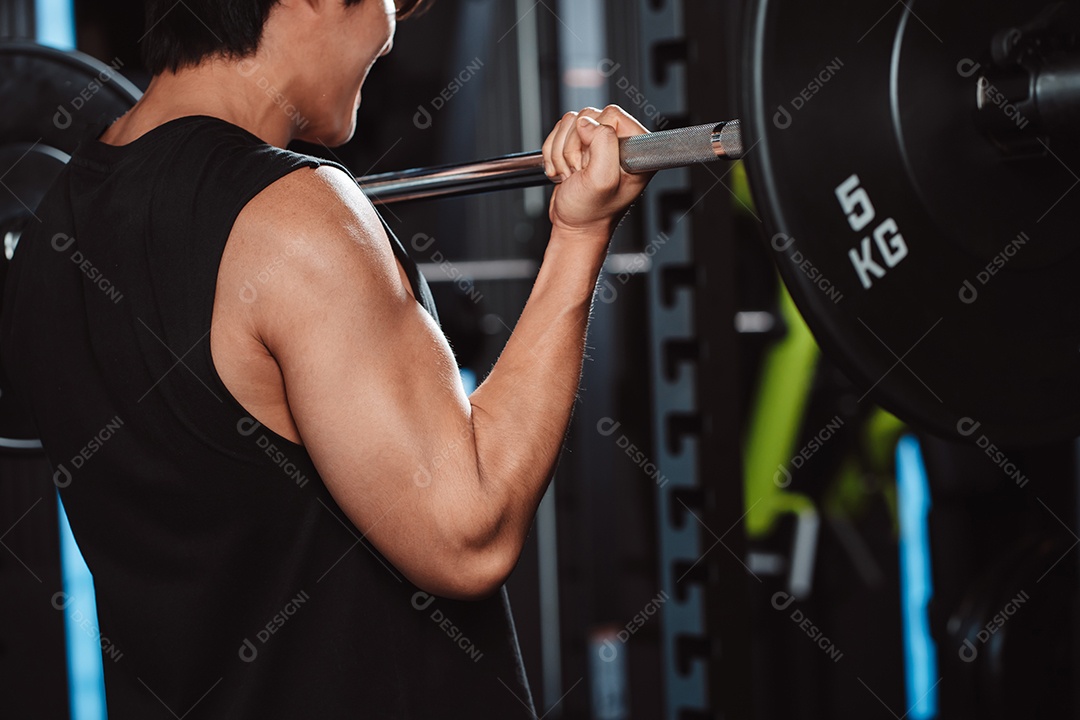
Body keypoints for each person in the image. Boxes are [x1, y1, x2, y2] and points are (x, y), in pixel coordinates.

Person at [0, 0, 652, 716]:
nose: (390, 30)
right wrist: (579, 236)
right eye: (386, 4)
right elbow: (468, 535)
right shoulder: (295, 214)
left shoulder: (48, 237)